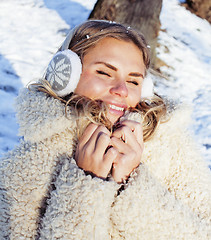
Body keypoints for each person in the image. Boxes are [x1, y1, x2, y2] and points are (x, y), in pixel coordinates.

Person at [0, 20, 210, 239]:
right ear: (66, 75)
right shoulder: (21, 172)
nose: (121, 89)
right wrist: (84, 183)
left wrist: (130, 183)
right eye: (104, 73)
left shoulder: (170, 145)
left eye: (134, 81)